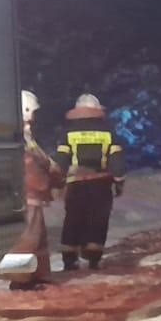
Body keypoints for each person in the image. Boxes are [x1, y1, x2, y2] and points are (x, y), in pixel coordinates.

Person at [54, 93, 127, 270]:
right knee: (98, 219)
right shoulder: (108, 132)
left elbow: (62, 159)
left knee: (73, 218)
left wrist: (57, 180)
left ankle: (69, 258)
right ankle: (93, 256)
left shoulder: (68, 132)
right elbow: (116, 159)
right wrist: (119, 181)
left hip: (76, 184)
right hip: (100, 184)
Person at [0, 90, 63, 289]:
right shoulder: (17, 136)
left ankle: (37, 275)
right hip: (27, 195)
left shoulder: (23, 135)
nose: (34, 117)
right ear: (24, 110)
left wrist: (50, 167)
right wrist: (48, 178)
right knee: (27, 238)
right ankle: (19, 280)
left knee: (38, 237)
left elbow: (38, 157)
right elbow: (29, 165)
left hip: (30, 195)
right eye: (32, 112)